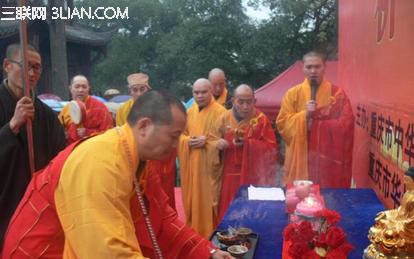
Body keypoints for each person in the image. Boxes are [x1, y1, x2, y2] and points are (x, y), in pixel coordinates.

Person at [2, 91, 233, 259]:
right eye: (173, 136)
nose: (177, 145)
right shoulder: (101, 161)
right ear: (144, 126)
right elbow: (107, 251)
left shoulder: (138, 158)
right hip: (42, 251)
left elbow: (164, 221)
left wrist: (208, 252)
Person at [0, 43, 66, 248]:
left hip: (36, 205)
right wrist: (12, 126)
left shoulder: (46, 115)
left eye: (37, 67)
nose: (31, 73)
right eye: (26, 65)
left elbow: (59, 161)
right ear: (7, 65)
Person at [276, 51, 354, 188]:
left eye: (317, 67)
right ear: (303, 68)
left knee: (328, 199)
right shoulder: (292, 94)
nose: (313, 71)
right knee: (299, 199)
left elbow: (347, 125)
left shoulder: (337, 95)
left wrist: (318, 126)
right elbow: (282, 124)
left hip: (326, 158)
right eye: (309, 67)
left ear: (324, 67)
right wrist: (304, 115)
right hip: (300, 155)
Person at [213, 84, 278, 220]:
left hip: (253, 176)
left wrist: (248, 144)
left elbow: (271, 149)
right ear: (233, 101)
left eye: (249, 102)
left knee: (250, 214)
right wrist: (218, 145)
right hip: (228, 176)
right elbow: (210, 143)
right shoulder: (223, 119)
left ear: (255, 101)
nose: (245, 106)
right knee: (229, 212)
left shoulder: (261, 120)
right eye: (241, 101)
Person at [178, 78, 226, 238]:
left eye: (203, 92)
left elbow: (225, 143)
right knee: (192, 204)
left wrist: (207, 142)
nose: (199, 95)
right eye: (196, 92)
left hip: (210, 172)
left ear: (211, 91)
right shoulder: (189, 112)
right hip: (192, 168)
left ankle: (211, 238)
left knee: (209, 205)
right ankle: (194, 235)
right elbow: (180, 136)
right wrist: (187, 141)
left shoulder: (221, 112)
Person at [58, 75, 113, 143]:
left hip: (92, 148)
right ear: (70, 89)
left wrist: (88, 132)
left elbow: (109, 133)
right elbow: (59, 130)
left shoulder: (100, 108)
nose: (80, 90)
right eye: (77, 87)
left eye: (84, 87)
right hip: (71, 150)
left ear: (88, 89)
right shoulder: (66, 109)